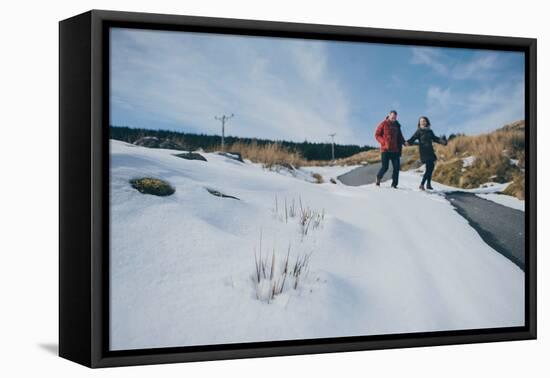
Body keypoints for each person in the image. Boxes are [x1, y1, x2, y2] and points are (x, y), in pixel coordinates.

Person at [406, 116, 447, 190]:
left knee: (431, 168)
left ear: (426, 122)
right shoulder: (419, 131)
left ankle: (428, 184)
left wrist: (442, 141)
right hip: (424, 152)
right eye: (421, 121)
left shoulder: (429, 131)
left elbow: (435, 138)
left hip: (430, 151)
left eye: (424, 121)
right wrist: (407, 142)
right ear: (419, 123)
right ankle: (422, 184)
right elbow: (413, 138)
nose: (422, 122)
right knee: (429, 168)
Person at [374, 110, 406, 188]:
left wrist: (404, 142)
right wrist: (383, 142)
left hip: (395, 150)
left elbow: (400, 136)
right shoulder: (383, 123)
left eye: (395, 117)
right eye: (392, 117)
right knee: (385, 167)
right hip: (385, 150)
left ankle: (394, 185)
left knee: (396, 168)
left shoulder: (397, 125)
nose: (393, 118)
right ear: (389, 115)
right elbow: (377, 135)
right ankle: (378, 177)